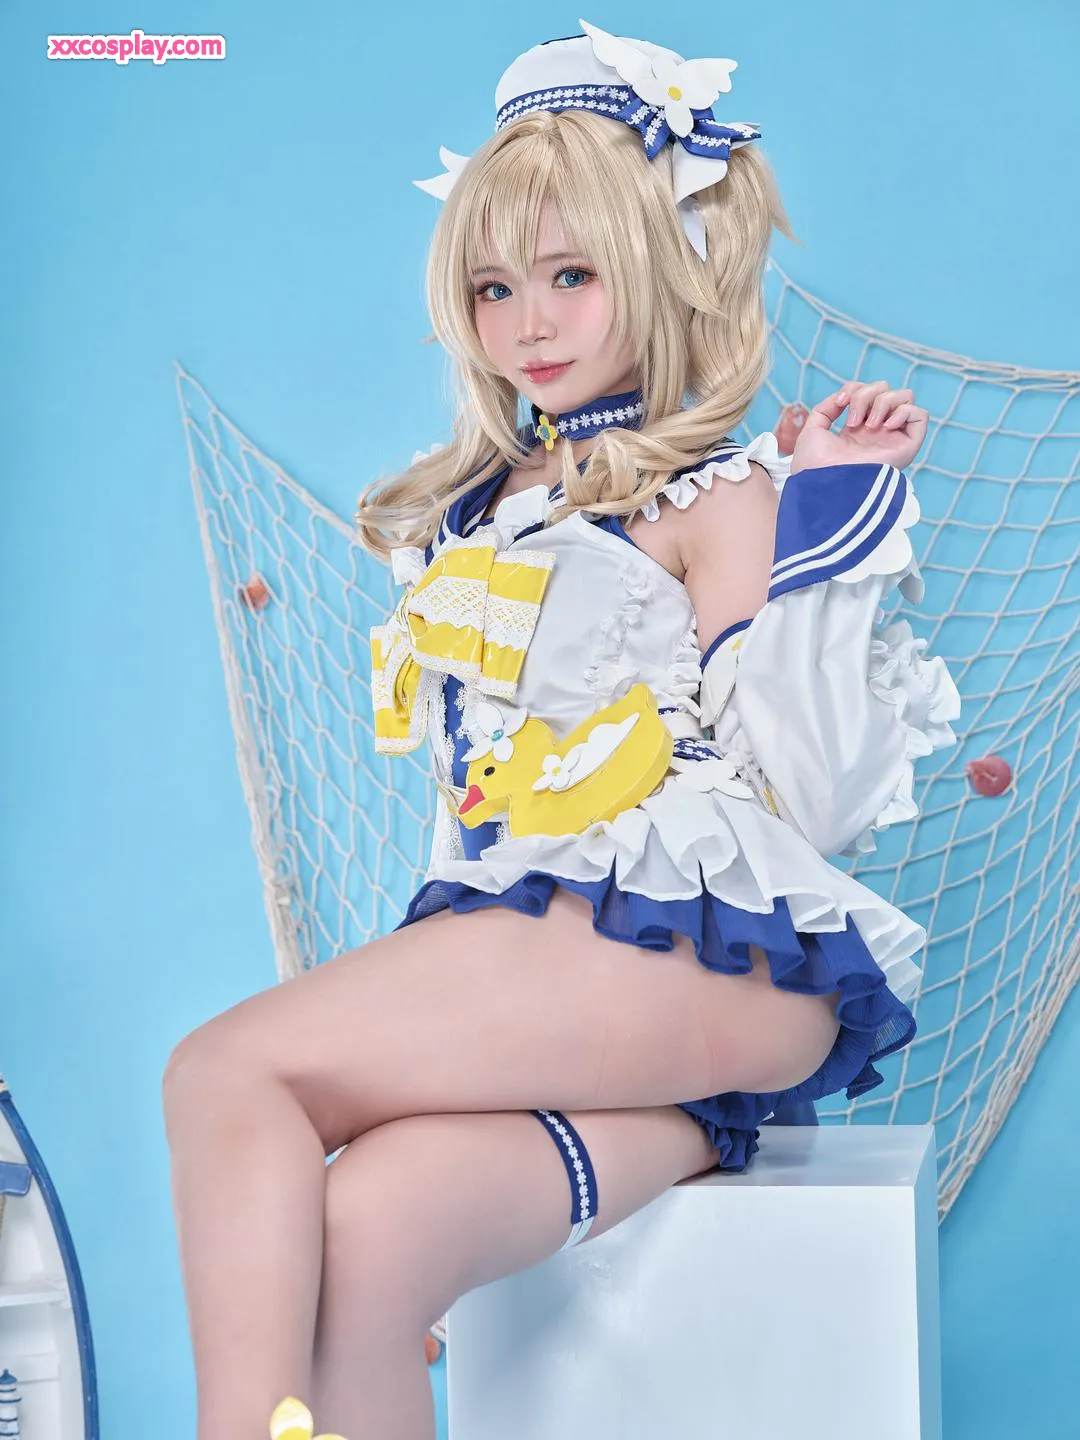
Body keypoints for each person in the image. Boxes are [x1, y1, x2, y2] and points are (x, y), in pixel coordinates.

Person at [163, 21, 962, 1440]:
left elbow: (814, 796)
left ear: (658, 264)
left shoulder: (719, 493)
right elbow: (475, 817)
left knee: (220, 1072)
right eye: (493, 287)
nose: (528, 323)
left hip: (707, 956)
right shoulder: (473, 524)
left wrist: (831, 513)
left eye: (571, 274)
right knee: (365, 1240)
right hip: (584, 990)